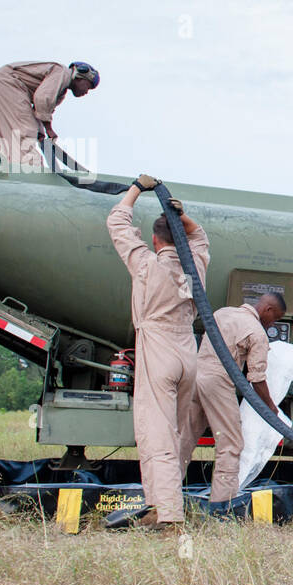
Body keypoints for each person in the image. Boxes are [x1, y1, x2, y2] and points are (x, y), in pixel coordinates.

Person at [107, 175, 209, 530]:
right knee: (178, 435)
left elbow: (117, 221)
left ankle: (169, 514)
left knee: (156, 433)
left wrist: (137, 188)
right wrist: (184, 217)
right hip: (188, 352)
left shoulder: (146, 264)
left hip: (158, 348)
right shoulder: (195, 266)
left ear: (153, 239)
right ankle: (159, 503)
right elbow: (200, 237)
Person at [180, 294, 286, 507]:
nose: (273, 323)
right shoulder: (257, 332)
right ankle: (222, 505)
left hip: (195, 376)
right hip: (219, 382)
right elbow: (256, 379)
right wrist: (272, 409)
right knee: (230, 443)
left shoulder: (222, 313)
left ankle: (163, 496)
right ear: (267, 309)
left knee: (184, 438)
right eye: (275, 318)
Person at [0, 61, 99, 170]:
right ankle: (29, 170)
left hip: (1, 82)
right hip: (8, 83)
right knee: (24, 132)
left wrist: (40, 134)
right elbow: (42, 99)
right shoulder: (62, 73)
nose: (86, 92)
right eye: (88, 87)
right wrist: (49, 129)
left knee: (13, 134)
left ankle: (14, 166)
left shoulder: (61, 92)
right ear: (80, 77)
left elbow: (38, 111)